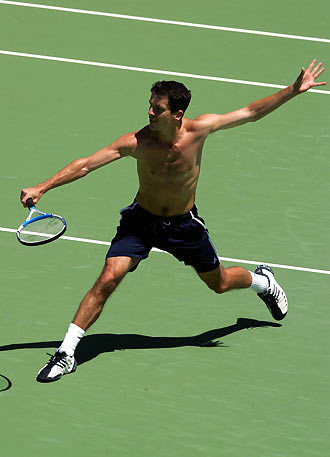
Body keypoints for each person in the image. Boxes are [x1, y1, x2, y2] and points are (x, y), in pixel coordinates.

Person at [20, 59, 326, 383]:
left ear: (177, 114)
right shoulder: (136, 142)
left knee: (219, 284)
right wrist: (43, 186)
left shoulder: (200, 129)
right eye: (150, 106)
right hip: (141, 222)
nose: (150, 113)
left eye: (158, 108)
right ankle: (67, 353)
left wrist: (293, 90)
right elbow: (84, 165)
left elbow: (250, 112)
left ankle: (264, 282)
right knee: (108, 278)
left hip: (183, 225)